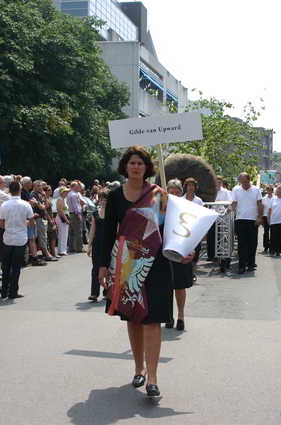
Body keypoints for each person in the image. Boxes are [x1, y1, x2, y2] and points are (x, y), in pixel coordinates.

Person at [98, 146, 193, 397]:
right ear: (125, 166)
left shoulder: (159, 195)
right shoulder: (116, 196)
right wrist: (102, 265)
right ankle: (138, 368)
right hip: (127, 264)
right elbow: (108, 233)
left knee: (153, 320)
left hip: (157, 264)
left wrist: (185, 250)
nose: (136, 167)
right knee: (133, 318)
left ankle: (152, 377)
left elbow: (175, 227)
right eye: (132, 163)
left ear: (147, 167)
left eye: (140, 163)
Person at [165, 179, 194, 331]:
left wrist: (192, 249)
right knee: (166, 285)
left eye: (177, 192)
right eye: (172, 192)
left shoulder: (187, 209)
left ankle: (180, 316)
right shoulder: (161, 209)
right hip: (164, 252)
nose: (175, 195)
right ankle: (167, 315)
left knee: (180, 285)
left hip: (181, 251)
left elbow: (193, 231)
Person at [0, 181, 34, 299]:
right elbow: (31, 222)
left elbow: (2, 224)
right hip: (20, 238)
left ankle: (4, 289)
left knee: (6, 265)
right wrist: (24, 222)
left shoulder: (4, 205)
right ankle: (13, 291)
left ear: (9, 190)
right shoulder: (25, 204)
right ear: (20, 190)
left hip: (8, 237)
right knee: (17, 266)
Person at [229, 172, 263, 274]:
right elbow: (234, 204)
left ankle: (251, 264)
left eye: (246, 182)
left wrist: (259, 217)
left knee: (252, 243)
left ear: (249, 181)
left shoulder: (256, 190)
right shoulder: (236, 190)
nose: (244, 184)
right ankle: (242, 265)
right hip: (240, 219)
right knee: (242, 244)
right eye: (242, 182)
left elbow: (260, 204)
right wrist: (230, 209)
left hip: (252, 220)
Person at [87, 189, 108, 302]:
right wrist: (89, 246)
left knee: (109, 267)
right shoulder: (95, 213)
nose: (103, 202)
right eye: (101, 200)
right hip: (98, 242)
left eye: (105, 200)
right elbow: (92, 230)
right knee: (96, 267)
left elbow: (117, 228)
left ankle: (107, 291)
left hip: (109, 242)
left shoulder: (112, 212)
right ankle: (94, 293)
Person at [206, 175, 232, 261]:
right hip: (211, 214)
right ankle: (210, 254)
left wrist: (221, 203)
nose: (218, 184)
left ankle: (219, 253)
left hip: (221, 216)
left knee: (220, 234)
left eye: (219, 182)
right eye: (216, 182)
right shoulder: (210, 191)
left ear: (222, 183)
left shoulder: (225, 192)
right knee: (211, 234)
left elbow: (228, 203)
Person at [182, 177, 203, 281]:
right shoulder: (181, 200)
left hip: (195, 229)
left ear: (195, 187)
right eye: (189, 185)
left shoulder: (198, 201)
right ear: (186, 187)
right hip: (184, 228)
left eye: (192, 185)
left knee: (196, 250)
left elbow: (202, 216)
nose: (190, 187)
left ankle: (193, 271)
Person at [267, 185, 281, 256]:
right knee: (273, 235)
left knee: (279, 236)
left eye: (279, 192)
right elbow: (270, 209)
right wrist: (268, 217)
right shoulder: (273, 199)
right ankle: (272, 249)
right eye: (277, 192)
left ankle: (278, 250)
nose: (278, 193)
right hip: (273, 219)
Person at [67, 181, 86, 254]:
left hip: (70, 213)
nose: (79, 188)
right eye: (77, 186)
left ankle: (71, 247)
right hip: (74, 214)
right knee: (78, 231)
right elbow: (76, 205)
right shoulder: (74, 195)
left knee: (71, 232)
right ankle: (79, 248)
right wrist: (78, 214)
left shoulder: (69, 194)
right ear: (73, 187)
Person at [43, 185, 60, 259]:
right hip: (47, 218)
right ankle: (52, 252)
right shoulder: (44, 198)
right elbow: (45, 210)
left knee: (53, 235)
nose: (50, 191)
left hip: (51, 217)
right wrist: (50, 220)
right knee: (51, 234)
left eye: (51, 189)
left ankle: (53, 251)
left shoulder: (49, 198)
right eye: (49, 190)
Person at [56, 187, 71, 256]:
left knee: (64, 234)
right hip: (61, 218)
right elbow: (60, 210)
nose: (67, 193)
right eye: (65, 192)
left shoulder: (63, 199)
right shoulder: (60, 200)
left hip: (63, 218)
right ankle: (62, 250)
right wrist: (66, 219)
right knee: (62, 234)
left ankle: (63, 249)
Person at [261, 185, 275, 253]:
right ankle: (266, 246)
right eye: (268, 190)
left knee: (272, 232)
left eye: (270, 190)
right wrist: (261, 217)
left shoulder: (275, 198)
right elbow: (262, 208)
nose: (269, 192)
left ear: (272, 191)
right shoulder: (264, 198)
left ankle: (272, 246)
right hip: (265, 215)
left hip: (273, 216)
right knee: (266, 231)